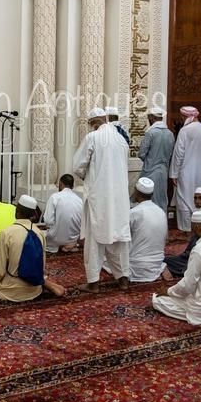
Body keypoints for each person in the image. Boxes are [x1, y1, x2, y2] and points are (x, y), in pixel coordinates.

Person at [72, 107, 131, 292]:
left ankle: (93, 283)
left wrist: (85, 175)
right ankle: (123, 279)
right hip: (119, 198)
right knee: (118, 239)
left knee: (94, 239)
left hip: (99, 197)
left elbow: (78, 165)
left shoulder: (93, 137)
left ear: (93, 123)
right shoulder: (122, 140)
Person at [0, 195, 66, 302]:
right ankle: (44, 283)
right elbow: (41, 264)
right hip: (35, 290)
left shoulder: (7, 233)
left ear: (17, 211)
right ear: (32, 215)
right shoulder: (39, 233)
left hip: (11, 292)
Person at [170, 106, 201, 232]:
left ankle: (186, 229)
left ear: (186, 117)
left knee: (185, 198)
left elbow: (178, 154)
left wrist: (174, 173)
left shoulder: (185, 131)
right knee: (200, 198)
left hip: (186, 172)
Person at [163, 187, 201, 279]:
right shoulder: (197, 214)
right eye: (195, 198)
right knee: (163, 260)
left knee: (167, 264)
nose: (197, 201)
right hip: (191, 254)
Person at [128, 177, 168, 283]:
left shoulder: (134, 213)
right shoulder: (161, 212)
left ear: (136, 192)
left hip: (136, 266)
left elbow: (121, 236)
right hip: (157, 263)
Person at [138, 107, 175, 213]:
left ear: (152, 118)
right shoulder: (170, 134)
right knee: (161, 199)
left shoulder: (151, 133)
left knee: (148, 199)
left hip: (150, 171)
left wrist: (150, 159)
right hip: (163, 172)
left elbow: (141, 154)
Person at [41, 174, 83, 253]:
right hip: (73, 238)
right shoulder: (80, 200)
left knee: (38, 235)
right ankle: (72, 245)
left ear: (60, 184)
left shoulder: (54, 197)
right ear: (72, 186)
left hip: (55, 240)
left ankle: (58, 245)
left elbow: (48, 221)